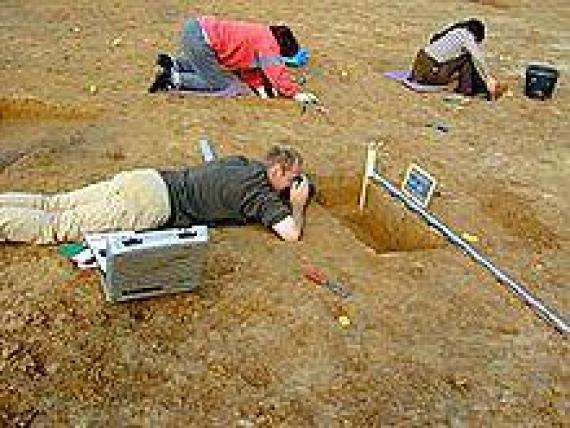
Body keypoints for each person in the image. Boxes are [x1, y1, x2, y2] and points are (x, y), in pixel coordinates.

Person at [0, 145, 311, 244]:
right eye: (292, 179)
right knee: (56, 227)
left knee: (52, 202)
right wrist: (296, 205)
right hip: (150, 206)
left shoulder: (242, 163)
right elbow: (291, 234)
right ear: (278, 172)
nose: (293, 186)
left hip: (146, 179)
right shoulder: (258, 196)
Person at [148, 16, 319, 104]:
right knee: (220, 83)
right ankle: (171, 79)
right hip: (201, 40)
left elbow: (248, 68)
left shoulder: (262, 32)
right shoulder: (269, 46)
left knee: (208, 66)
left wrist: (258, 87)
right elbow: (277, 74)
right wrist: (296, 93)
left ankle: (172, 63)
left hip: (195, 28)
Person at [411, 18, 506, 99]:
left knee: (463, 59)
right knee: (467, 59)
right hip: (426, 75)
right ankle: (467, 89)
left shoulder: (456, 32)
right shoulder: (467, 36)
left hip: (417, 73)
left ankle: (473, 87)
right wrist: (488, 77)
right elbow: (478, 58)